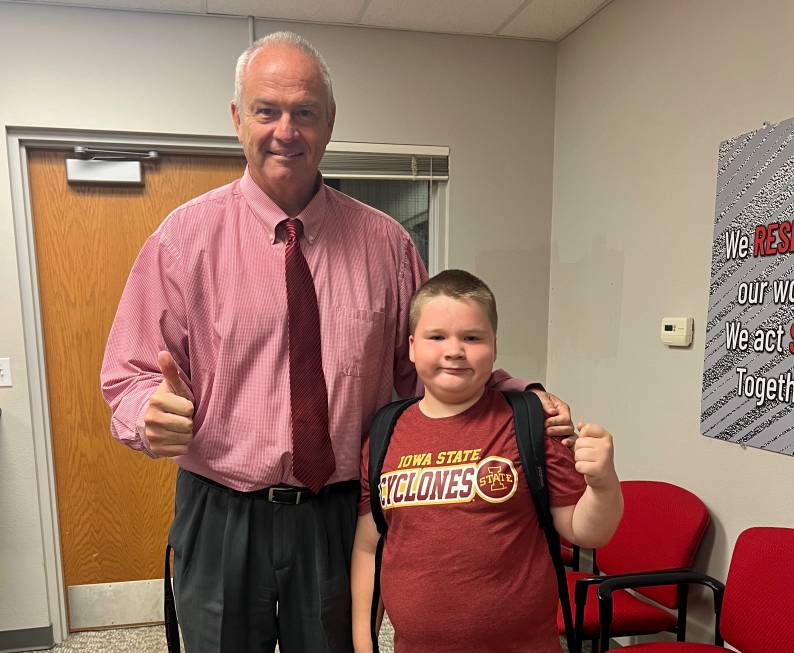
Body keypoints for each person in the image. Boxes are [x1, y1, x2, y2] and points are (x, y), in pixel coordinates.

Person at [100, 32, 576, 653]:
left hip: (338, 512)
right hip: (220, 510)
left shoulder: (387, 245)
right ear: (237, 118)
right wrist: (146, 414)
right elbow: (128, 375)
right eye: (267, 110)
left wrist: (522, 395)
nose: (285, 130)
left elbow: (428, 364)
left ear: (329, 121)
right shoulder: (181, 240)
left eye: (304, 112)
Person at [351, 270, 623, 653]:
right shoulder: (384, 433)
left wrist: (604, 483)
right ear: (412, 347)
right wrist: (364, 644)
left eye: (472, 338)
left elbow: (587, 531)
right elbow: (369, 547)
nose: (454, 350)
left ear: (495, 347)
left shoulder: (529, 422)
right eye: (437, 337)